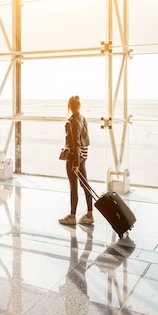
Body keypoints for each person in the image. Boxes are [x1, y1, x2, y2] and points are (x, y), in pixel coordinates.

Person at [59, 95, 93, 226]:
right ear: (79, 106)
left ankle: (72, 215)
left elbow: (75, 143)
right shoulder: (83, 118)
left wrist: (75, 163)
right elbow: (84, 141)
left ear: (70, 106)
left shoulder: (73, 121)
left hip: (75, 157)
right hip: (83, 156)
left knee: (73, 186)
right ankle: (89, 214)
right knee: (85, 184)